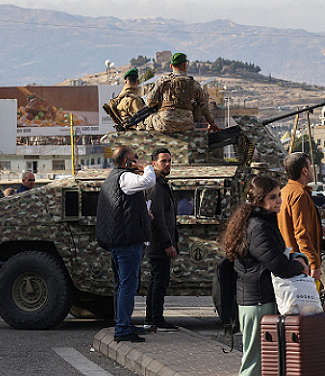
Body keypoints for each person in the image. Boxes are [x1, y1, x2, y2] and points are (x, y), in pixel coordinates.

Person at [223, 176, 309, 376]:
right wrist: (298, 266)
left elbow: (274, 255)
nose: (279, 200)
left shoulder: (262, 221)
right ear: (259, 199)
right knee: (254, 363)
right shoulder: (258, 226)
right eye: (273, 197)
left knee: (267, 362)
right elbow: (278, 265)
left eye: (279, 195)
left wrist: (294, 257)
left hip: (260, 300)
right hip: (257, 303)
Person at [96, 145, 156, 343]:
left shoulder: (113, 177)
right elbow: (149, 181)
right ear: (125, 162)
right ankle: (122, 328)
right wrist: (146, 166)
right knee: (128, 285)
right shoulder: (125, 177)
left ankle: (124, 323)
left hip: (119, 241)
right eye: (134, 158)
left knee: (123, 284)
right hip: (127, 243)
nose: (137, 160)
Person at [277, 152, 325, 281]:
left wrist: (322, 230)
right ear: (304, 171)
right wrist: (313, 264)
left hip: (287, 261)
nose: (312, 170)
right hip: (299, 266)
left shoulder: (284, 192)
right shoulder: (300, 195)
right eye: (310, 166)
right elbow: (301, 233)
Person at [144, 148, 179, 331]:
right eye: (163, 161)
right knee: (159, 280)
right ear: (154, 164)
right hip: (159, 243)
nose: (167, 164)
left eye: (169, 161)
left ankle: (152, 317)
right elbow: (157, 216)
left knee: (157, 280)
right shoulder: (157, 186)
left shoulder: (161, 184)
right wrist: (167, 243)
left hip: (159, 242)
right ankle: (155, 318)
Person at [145, 52, 217, 133]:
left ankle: (151, 142)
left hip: (165, 125)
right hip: (187, 125)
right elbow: (204, 107)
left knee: (150, 118)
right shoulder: (194, 84)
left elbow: (149, 103)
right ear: (185, 66)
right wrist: (212, 124)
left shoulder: (163, 81)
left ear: (171, 66)